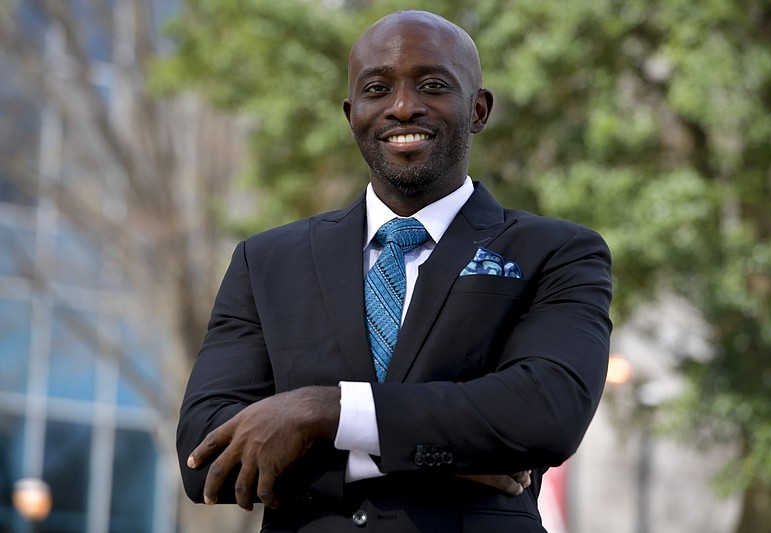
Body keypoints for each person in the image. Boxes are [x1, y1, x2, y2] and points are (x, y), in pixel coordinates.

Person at [177, 9, 612, 533]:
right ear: (351, 113)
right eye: (377, 89)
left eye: (432, 85)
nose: (403, 108)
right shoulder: (266, 262)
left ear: (478, 109)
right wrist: (447, 454)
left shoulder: (558, 252)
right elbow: (202, 455)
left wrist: (322, 412)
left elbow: (546, 413)